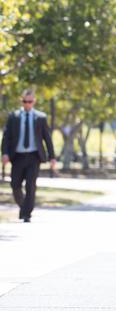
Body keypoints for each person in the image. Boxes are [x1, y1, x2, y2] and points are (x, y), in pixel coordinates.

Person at [2, 89, 56, 222]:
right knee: (15, 184)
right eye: (25, 101)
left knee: (31, 185)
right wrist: (4, 153)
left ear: (34, 101)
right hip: (18, 156)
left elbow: (47, 138)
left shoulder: (41, 117)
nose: (27, 104)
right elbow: (6, 137)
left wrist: (52, 157)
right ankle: (24, 207)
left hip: (34, 156)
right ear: (22, 101)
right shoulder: (13, 116)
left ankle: (27, 214)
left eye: (30, 102)